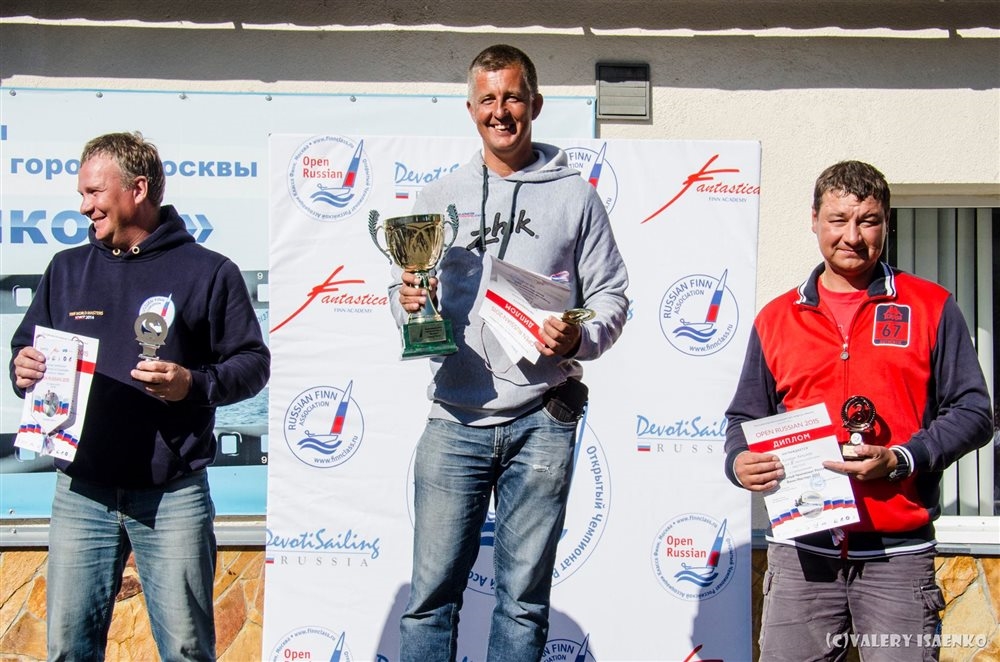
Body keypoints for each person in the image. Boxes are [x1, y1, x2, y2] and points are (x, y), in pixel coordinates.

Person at [392, 44, 628, 661]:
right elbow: (404, 291)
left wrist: (579, 335)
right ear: (471, 108)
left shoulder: (576, 197)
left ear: (536, 104)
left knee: (522, 603)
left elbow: (611, 295)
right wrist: (410, 302)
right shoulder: (439, 195)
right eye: (488, 99)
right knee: (429, 600)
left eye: (513, 97)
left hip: (541, 421)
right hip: (454, 420)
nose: (501, 111)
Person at [9, 131, 270, 661]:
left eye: (94, 193)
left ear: (138, 189)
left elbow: (252, 364)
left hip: (171, 493)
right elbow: (26, 347)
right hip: (81, 491)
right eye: (82, 194)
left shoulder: (208, 271)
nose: (84, 207)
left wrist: (191, 384)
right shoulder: (66, 269)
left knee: (186, 650)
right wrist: (23, 368)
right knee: (68, 651)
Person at [724, 161, 992, 661]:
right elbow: (744, 417)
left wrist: (904, 458)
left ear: (887, 223)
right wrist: (739, 461)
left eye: (868, 221)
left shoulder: (931, 306)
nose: (852, 236)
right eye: (838, 219)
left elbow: (974, 412)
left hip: (898, 558)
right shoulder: (776, 318)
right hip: (802, 552)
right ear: (814, 220)